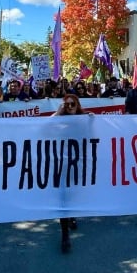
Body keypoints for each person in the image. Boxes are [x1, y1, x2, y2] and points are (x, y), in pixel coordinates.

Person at [52, 93, 89, 253]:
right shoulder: (60, 118)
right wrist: (59, 112)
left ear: (77, 104)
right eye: (67, 104)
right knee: (63, 197)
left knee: (73, 193)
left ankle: (72, 215)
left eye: (72, 104)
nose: (70, 107)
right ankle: (65, 235)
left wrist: (92, 120)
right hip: (62, 163)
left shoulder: (84, 118)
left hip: (78, 163)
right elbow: (44, 126)